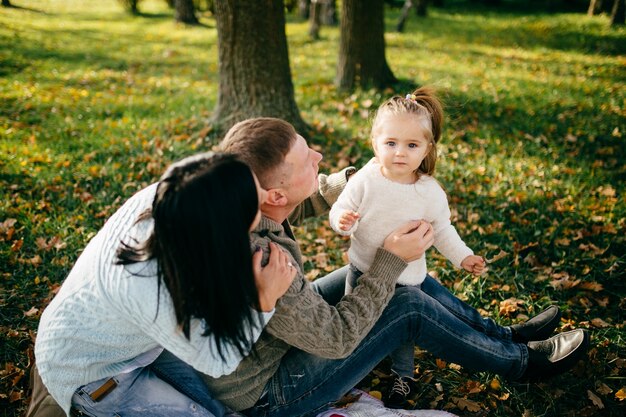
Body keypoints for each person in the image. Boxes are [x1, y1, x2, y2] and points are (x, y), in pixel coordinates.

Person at [202, 117, 590, 417]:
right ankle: (522, 363)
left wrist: (366, 182)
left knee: (380, 279)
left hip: (272, 340)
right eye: (307, 159)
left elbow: (297, 204)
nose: (318, 156)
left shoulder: (243, 206)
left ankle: (504, 335)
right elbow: (337, 339)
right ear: (273, 193)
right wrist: (390, 261)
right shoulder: (265, 260)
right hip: (273, 394)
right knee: (405, 303)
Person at [34, 153, 296, 416]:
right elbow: (217, 361)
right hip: (91, 374)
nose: (264, 195)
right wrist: (263, 300)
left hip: (137, 343)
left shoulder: (181, 197)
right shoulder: (153, 285)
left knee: (223, 410)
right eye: (255, 196)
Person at [328, 87, 486, 407]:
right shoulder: (366, 179)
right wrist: (343, 221)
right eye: (390, 143)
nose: (400, 152)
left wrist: (463, 256)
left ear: (427, 148)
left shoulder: (428, 192)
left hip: (406, 277)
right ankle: (354, 370)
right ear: (375, 142)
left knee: (402, 332)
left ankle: (403, 375)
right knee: (355, 323)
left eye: (411, 145)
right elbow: (342, 207)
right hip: (362, 269)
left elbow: (442, 229)